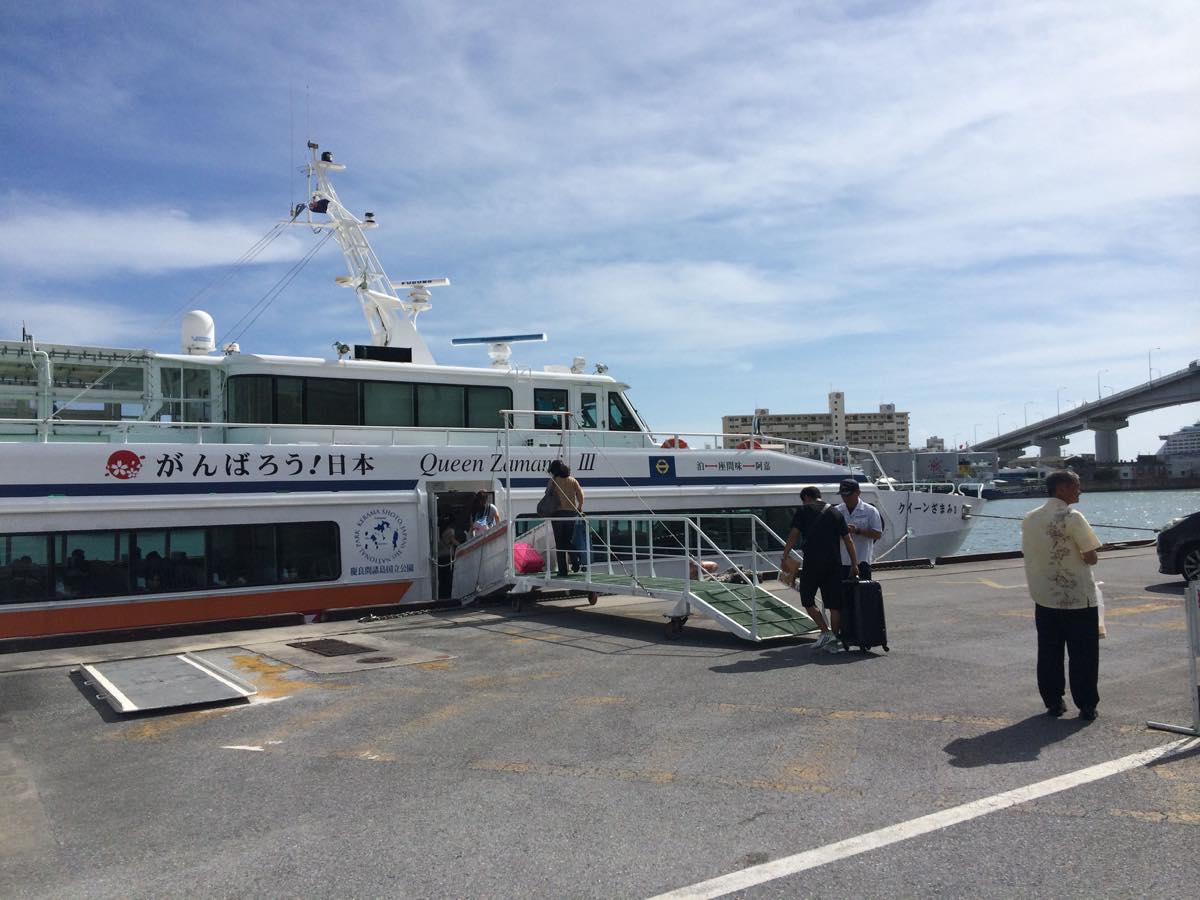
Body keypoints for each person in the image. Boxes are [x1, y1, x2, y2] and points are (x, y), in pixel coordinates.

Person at [1021, 469, 1102, 721]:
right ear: (1061, 489)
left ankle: (1054, 702)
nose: (1080, 490)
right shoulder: (1073, 517)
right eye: (1076, 485)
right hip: (1077, 597)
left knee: (1049, 652)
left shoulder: (1030, 518)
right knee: (1083, 654)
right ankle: (1086, 705)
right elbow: (1091, 557)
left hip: (1044, 596)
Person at [780, 486, 859, 653]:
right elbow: (848, 540)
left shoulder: (803, 510)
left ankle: (825, 631)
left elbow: (794, 535)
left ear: (807, 497)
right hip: (834, 564)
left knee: (807, 599)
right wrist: (854, 564)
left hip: (813, 563)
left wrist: (785, 555)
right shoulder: (835, 512)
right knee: (834, 605)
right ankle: (834, 640)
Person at [834, 478, 883, 581]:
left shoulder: (870, 511)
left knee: (863, 594)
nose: (845, 498)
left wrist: (858, 530)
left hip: (862, 561)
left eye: (848, 494)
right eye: (843, 495)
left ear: (858, 493)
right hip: (841, 562)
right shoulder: (837, 511)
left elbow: (877, 534)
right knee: (843, 595)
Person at [547, 459, 585, 578]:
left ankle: (563, 571)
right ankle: (575, 561)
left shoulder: (554, 481)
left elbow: (547, 494)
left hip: (557, 514)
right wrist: (579, 507)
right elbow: (581, 495)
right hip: (571, 514)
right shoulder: (573, 480)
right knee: (568, 540)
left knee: (560, 543)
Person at [437, 514, 461, 600]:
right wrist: (462, 545)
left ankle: (442, 595)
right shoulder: (450, 530)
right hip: (447, 556)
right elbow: (453, 541)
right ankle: (447, 596)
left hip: (440, 556)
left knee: (442, 578)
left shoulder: (442, 530)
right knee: (448, 578)